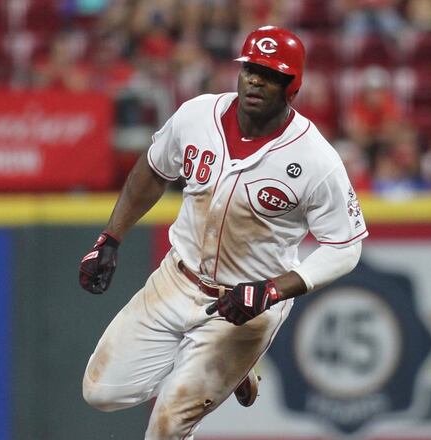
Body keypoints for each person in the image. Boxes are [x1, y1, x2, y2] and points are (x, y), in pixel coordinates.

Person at [78, 26, 368, 440]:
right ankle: (230, 375)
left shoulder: (315, 159)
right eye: (251, 69)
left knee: (166, 426)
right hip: (176, 279)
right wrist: (111, 238)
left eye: (271, 74)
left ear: (292, 86)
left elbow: (345, 247)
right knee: (101, 392)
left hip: (246, 305)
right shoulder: (198, 115)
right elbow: (153, 169)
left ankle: (223, 367)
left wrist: (272, 290)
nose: (255, 80)